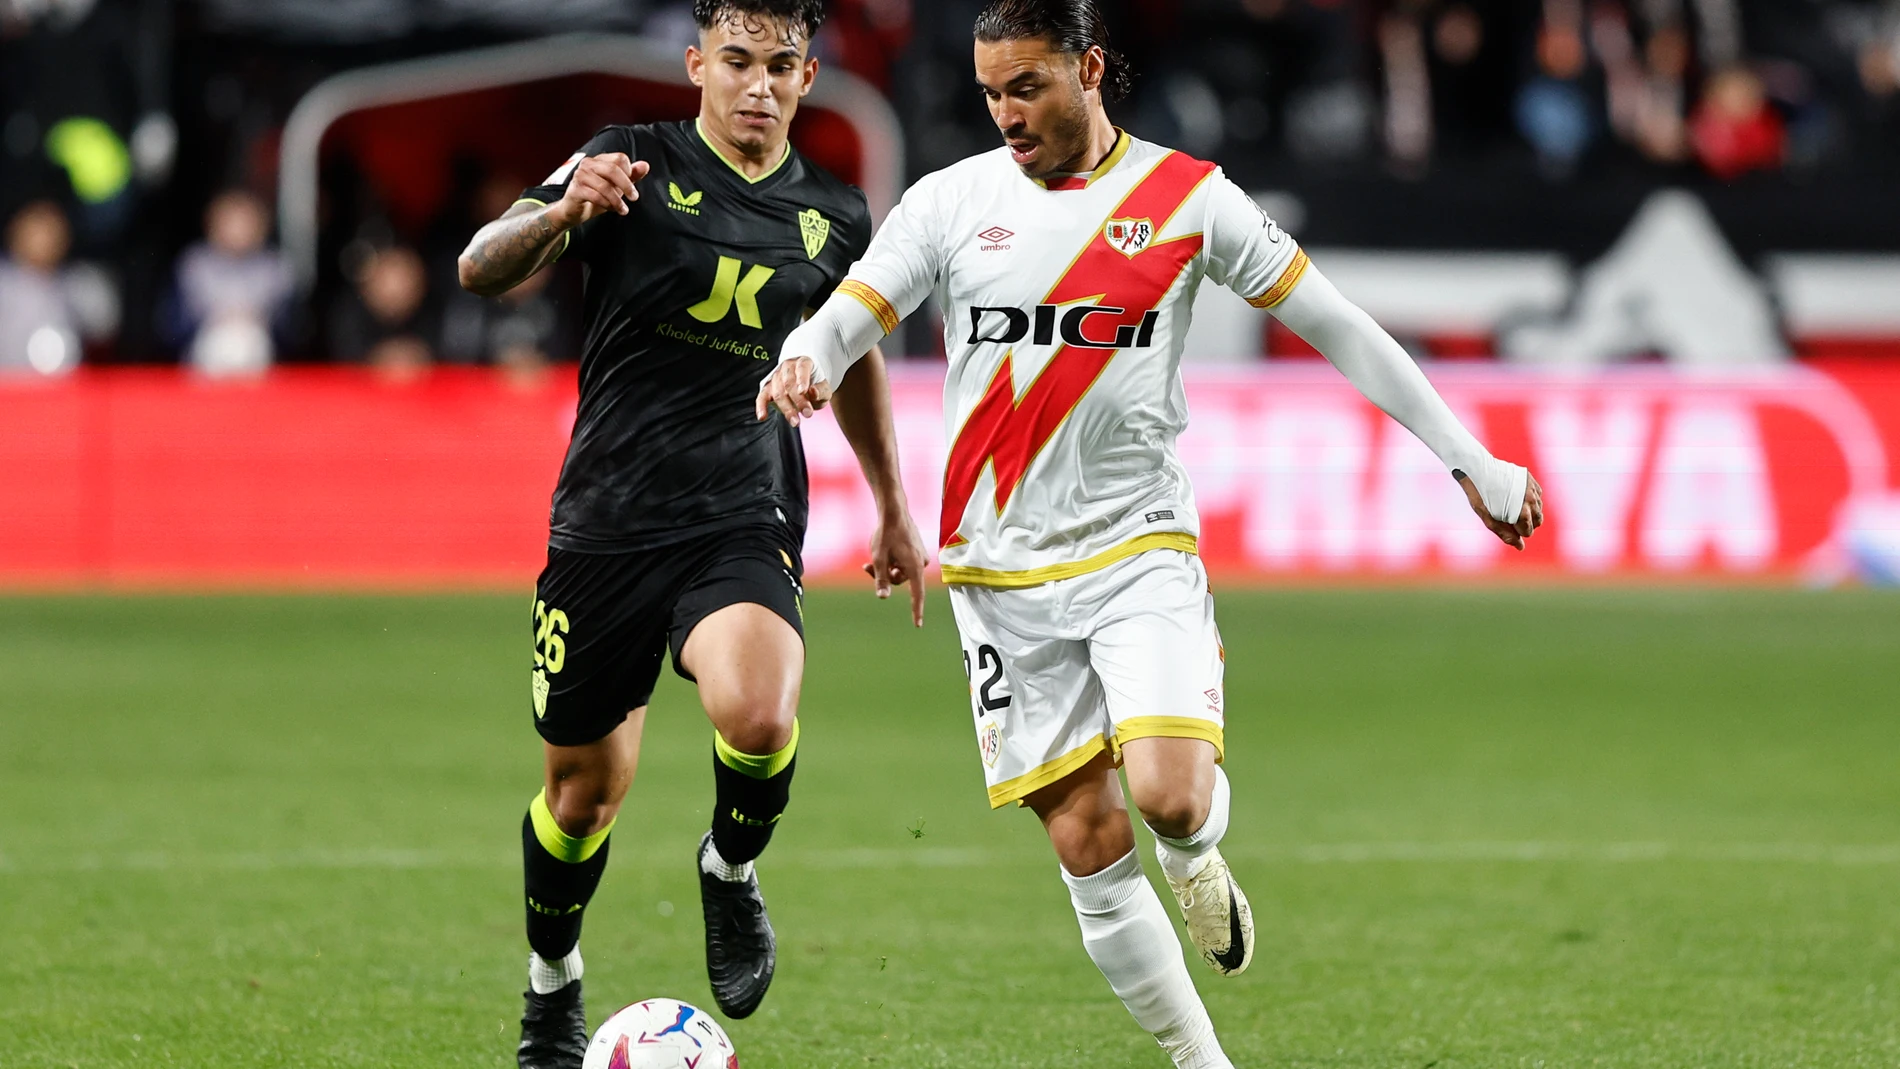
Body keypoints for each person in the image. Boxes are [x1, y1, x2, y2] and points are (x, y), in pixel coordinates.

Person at [757, 1, 1545, 1065]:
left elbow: (1339, 326)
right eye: (990, 93)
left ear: (1088, 69)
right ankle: (1200, 1059)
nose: (1006, 117)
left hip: (1137, 548)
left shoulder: (1187, 199)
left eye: (1027, 87)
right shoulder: (951, 200)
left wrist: (1472, 459)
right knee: (1087, 840)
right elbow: (858, 306)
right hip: (997, 571)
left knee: (1172, 801)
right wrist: (807, 350)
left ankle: (1198, 852)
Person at [455, 2, 929, 1067]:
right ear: (695, 65)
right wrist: (560, 213)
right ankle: (550, 986)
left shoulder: (837, 216)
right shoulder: (624, 162)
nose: (757, 85)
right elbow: (479, 268)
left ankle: (728, 867)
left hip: (741, 507)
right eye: (737, 62)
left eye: (779, 66)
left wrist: (894, 505)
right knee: (582, 794)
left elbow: (850, 357)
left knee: (756, 714)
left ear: (808, 77)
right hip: (607, 519)